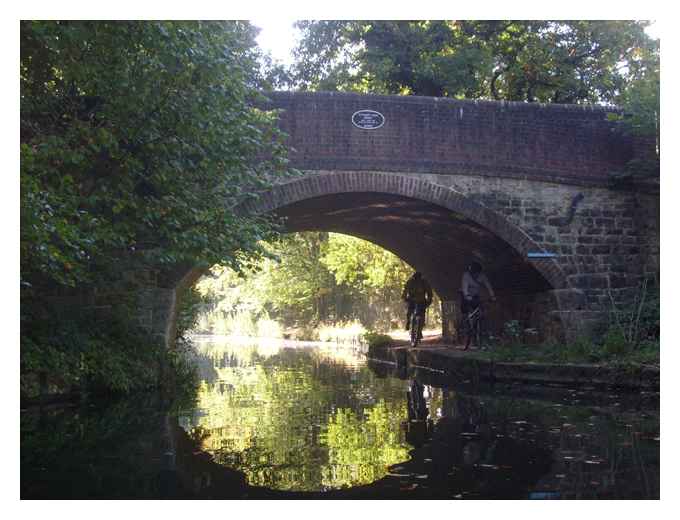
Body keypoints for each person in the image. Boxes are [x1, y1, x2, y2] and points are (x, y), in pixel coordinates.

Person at [460, 261, 496, 349]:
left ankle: (479, 335)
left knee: (480, 312)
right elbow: (465, 288)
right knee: (467, 310)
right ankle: (467, 323)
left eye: (477, 273)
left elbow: (488, 285)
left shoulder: (482, 275)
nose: (475, 274)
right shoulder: (466, 275)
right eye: (473, 273)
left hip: (475, 295)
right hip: (466, 295)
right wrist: (467, 297)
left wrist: (492, 296)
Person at [402, 271, 433, 337]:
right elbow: (405, 290)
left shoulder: (424, 282)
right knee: (410, 312)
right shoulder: (411, 282)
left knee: (421, 314)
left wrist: (429, 300)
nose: (417, 279)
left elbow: (429, 292)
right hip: (413, 300)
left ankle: (419, 329)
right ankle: (408, 322)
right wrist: (405, 297)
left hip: (420, 301)